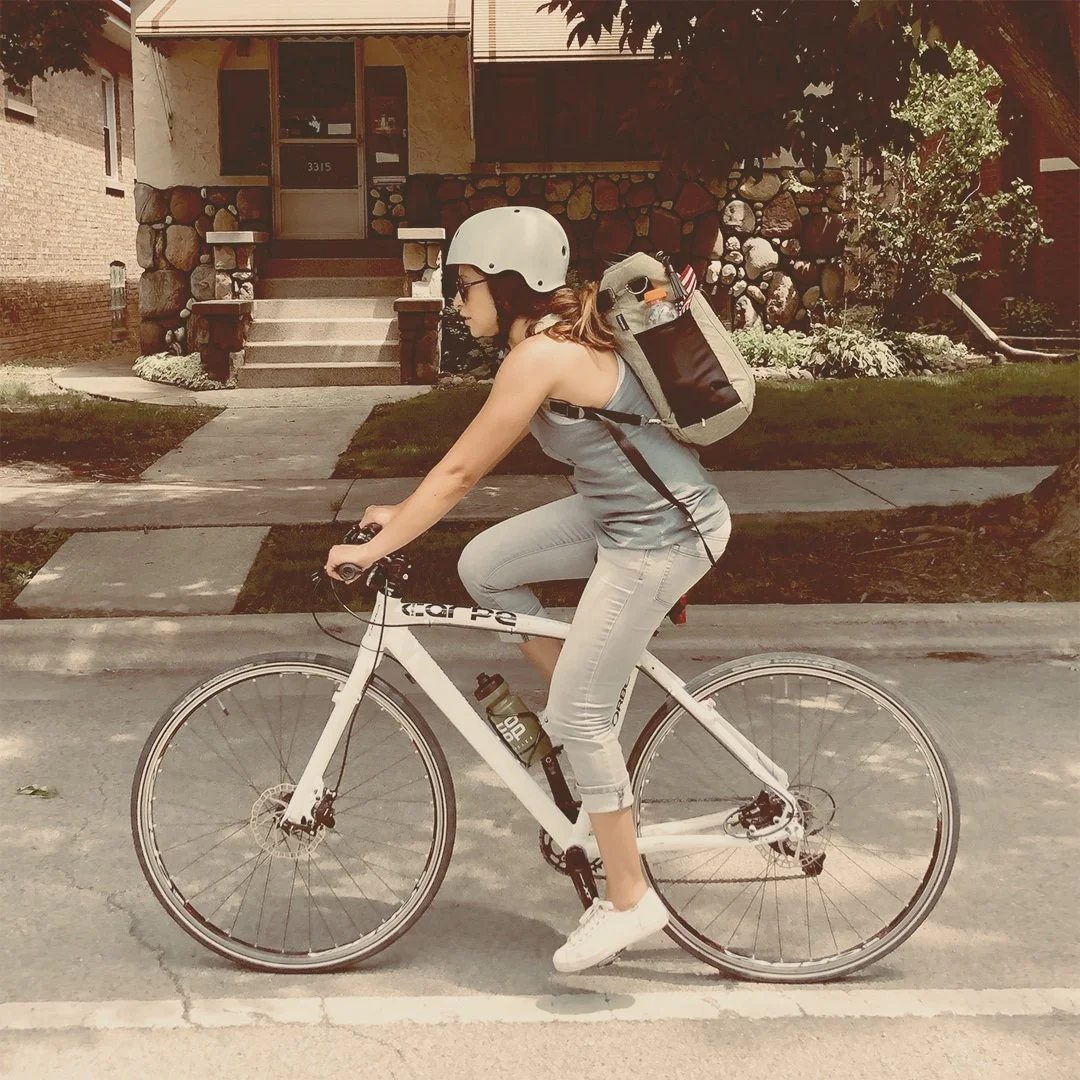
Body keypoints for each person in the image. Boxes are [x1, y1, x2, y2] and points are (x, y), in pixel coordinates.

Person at [326, 206, 731, 973]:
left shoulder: (539, 356)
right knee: (486, 567)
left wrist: (378, 543)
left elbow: (461, 473)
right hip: (620, 519)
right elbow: (456, 466)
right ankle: (585, 712)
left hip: (667, 534)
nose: (455, 302)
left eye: (465, 284)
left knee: (578, 713)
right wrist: (397, 515)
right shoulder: (542, 345)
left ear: (512, 284)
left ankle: (629, 899)